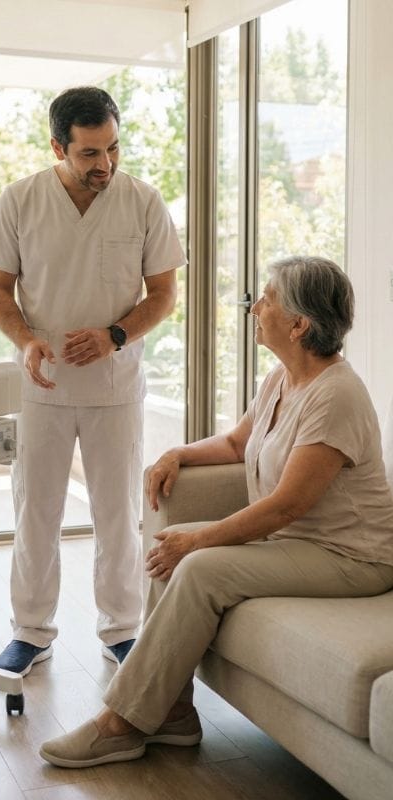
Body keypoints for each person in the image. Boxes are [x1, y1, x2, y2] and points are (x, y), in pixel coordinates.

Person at [39, 254, 393, 768]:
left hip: (352, 557)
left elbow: (287, 506)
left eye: (268, 298)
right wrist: (177, 454)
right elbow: (234, 443)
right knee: (172, 545)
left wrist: (201, 541)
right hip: (300, 545)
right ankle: (175, 714)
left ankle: (120, 723)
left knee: (198, 562)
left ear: (300, 325)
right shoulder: (282, 378)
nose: (257, 308)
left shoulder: (336, 395)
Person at [0, 86, 185, 676]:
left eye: (113, 149)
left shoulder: (143, 202)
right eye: (90, 153)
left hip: (114, 386)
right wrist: (27, 341)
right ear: (57, 147)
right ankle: (31, 631)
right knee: (34, 510)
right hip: (41, 386)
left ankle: (122, 629)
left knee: (118, 512)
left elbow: (164, 294)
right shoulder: (19, 201)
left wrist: (115, 335)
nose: (105, 165)